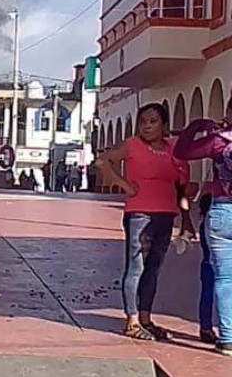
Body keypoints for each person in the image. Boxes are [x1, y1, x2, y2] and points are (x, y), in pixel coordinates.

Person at [96, 103, 190, 342]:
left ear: (164, 125)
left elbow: (180, 186)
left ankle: (146, 318)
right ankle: (132, 320)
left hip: (166, 215)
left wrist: (186, 219)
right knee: (136, 267)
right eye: (143, 121)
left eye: (153, 121)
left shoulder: (172, 149)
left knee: (153, 269)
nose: (147, 126)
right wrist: (124, 185)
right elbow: (103, 162)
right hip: (139, 215)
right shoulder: (132, 145)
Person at [173, 98, 232, 356]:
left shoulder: (219, 141)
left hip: (222, 211)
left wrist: (197, 124)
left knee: (223, 277)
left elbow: (182, 151)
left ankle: (228, 338)